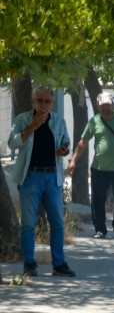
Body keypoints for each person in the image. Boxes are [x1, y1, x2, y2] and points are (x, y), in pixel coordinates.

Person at [6, 87, 75, 276]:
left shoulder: (59, 120)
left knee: (58, 223)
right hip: (30, 177)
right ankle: (29, 262)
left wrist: (64, 150)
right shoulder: (23, 119)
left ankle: (58, 264)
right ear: (33, 102)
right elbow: (12, 144)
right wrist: (31, 127)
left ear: (52, 104)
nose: (44, 105)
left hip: (52, 177)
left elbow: (66, 142)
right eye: (40, 101)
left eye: (47, 102)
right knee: (28, 223)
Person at [67, 92, 114, 239]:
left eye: (108, 105)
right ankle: (100, 229)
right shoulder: (94, 122)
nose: (106, 108)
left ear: (113, 105)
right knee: (98, 200)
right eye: (103, 106)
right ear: (98, 107)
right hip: (100, 168)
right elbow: (83, 143)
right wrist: (74, 160)